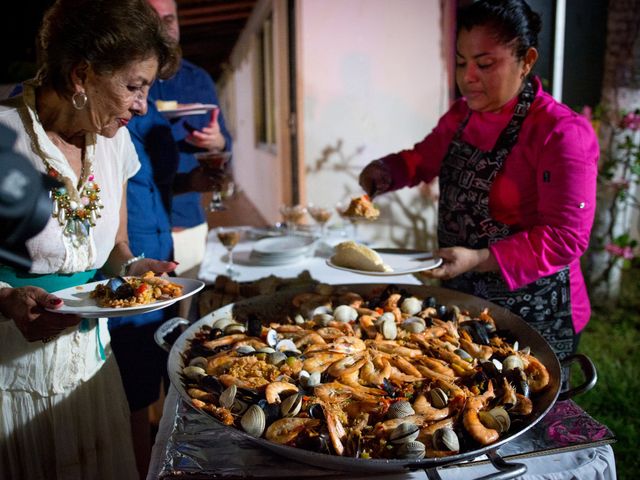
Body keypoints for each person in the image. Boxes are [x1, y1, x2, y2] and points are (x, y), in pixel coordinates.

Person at [359, 0, 598, 360]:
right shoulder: (462, 116)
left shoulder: (561, 133)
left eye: (485, 64)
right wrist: (387, 170)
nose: (467, 76)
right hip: (465, 301)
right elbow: (424, 157)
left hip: (535, 312)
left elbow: (566, 237)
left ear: (527, 60)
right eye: (460, 62)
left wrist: (481, 258)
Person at [0, 0, 180, 477]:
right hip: (11, 380)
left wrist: (135, 270)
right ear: (81, 75)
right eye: (133, 86)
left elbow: (115, 253)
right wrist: (6, 300)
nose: (143, 105)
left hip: (91, 373)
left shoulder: (115, 141)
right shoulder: (4, 136)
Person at [147, 0, 233, 278]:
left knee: (191, 314)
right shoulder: (124, 80)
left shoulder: (199, 80)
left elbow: (225, 142)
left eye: (169, 19)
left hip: (189, 223)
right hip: (139, 227)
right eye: (154, 18)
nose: (164, 27)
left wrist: (217, 141)